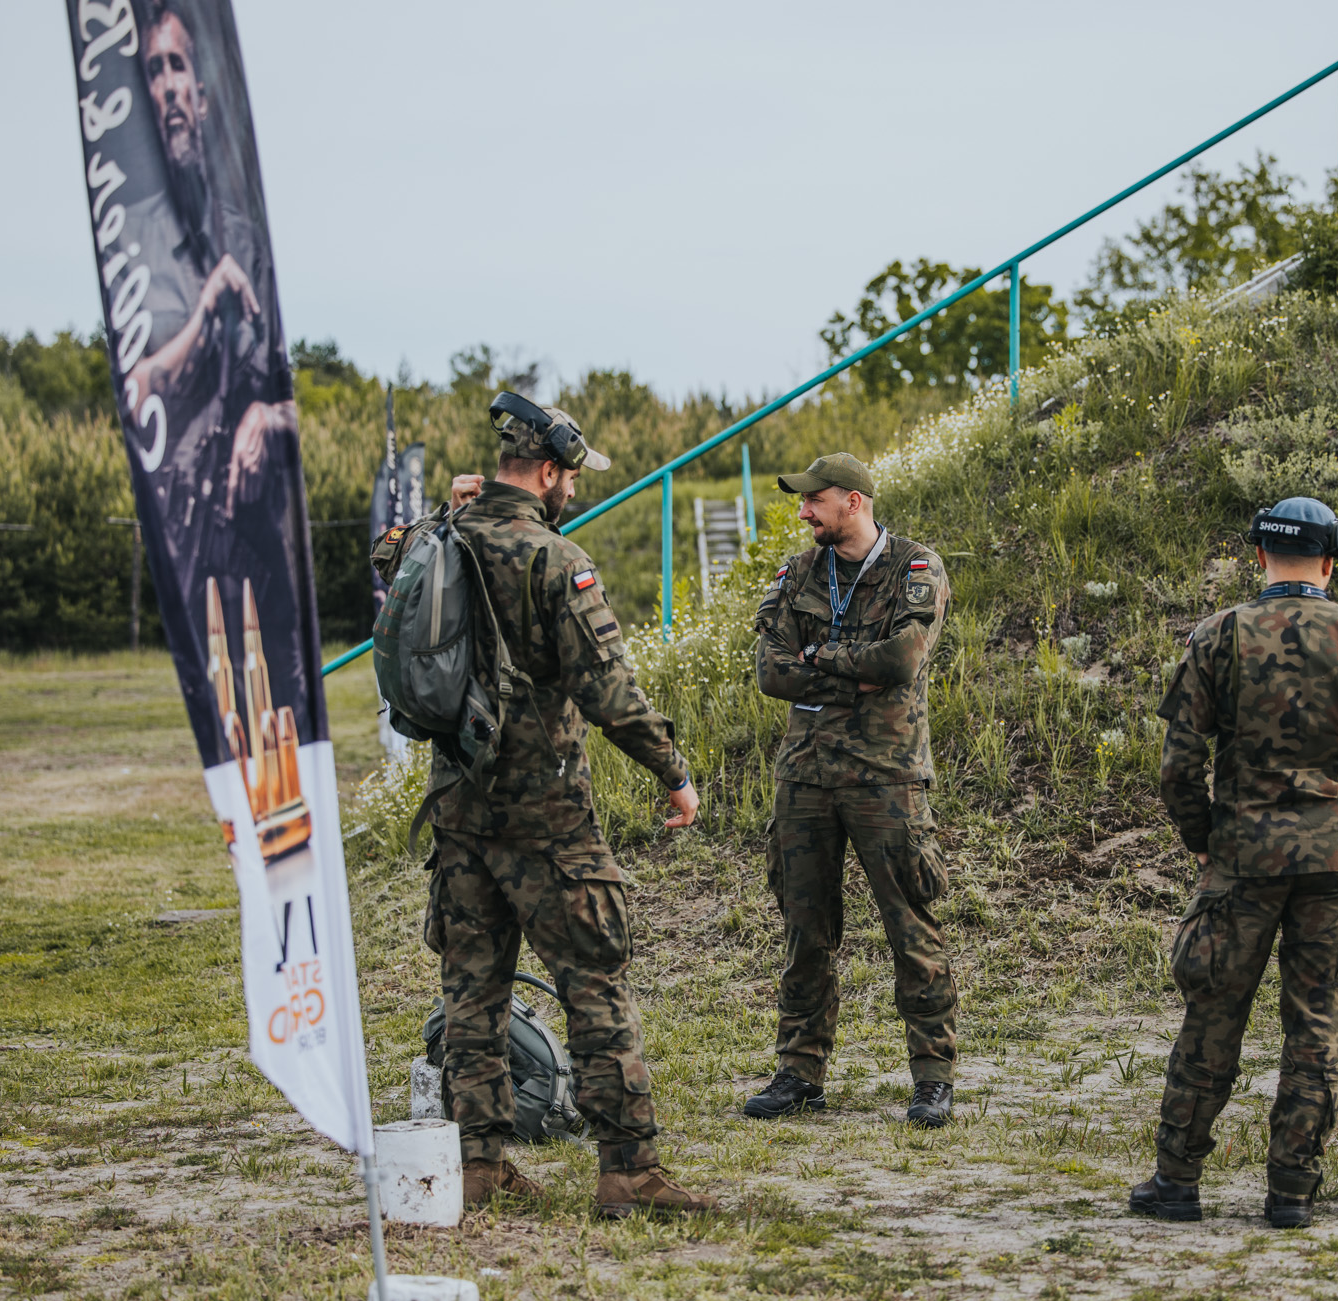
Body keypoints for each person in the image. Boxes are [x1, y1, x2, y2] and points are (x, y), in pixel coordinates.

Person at [372, 394, 715, 1219]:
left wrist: (446, 510)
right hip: (548, 813)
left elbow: (390, 559)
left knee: (472, 990)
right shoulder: (555, 558)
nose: (572, 493)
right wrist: (673, 769)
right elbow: (608, 689)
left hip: (457, 805)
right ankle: (628, 1171)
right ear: (551, 471)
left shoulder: (440, 533)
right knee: (595, 980)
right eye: (571, 478)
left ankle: (480, 1161)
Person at [1132, 498, 1338, 1229]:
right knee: (1315, 1029)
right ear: (1328, 562)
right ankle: (1291, 1191)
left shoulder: (1219, 634)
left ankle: (1177, 1181)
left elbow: (1178, 764)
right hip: (1331, 863)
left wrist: (1202, 836)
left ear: (1260, 558)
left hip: (1242, 860)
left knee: (1212, 1017)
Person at [747, 453, 958, 1128]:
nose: (804, 509)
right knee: (805, 932)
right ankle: (799, 1070)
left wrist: (819, 657)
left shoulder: (914, 568)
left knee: (911, 928)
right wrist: (847, 670)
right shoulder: (798, 572)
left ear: (855, 502)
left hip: (885, 774)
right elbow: (769, 670)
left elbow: (901, 660)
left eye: (816, 499)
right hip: (805, 775)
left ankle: (932, 1076)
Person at [122, 0, 306, 743]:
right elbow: (133, 391)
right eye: (153, 71)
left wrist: (269, 419)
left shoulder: (248, 231)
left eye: (177, 67)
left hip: (264, 552)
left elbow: (291, 399)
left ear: (201, 92)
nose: (167, 86)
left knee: (288, 726)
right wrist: (201, 319)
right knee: (227, 738)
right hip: (192, 550)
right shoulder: (138, 242)